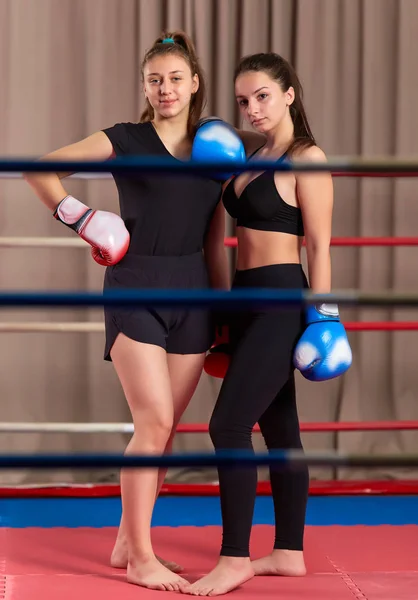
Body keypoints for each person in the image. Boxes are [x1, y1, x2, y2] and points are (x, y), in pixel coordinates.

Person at [23, 31, 258, 592]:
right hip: (134, 285)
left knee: (165, 429)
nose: (166, 88)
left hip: (193, 291)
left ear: (195, 83)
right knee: (152, 422)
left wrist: (221, 313)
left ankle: (129, 538)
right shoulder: (124, 139)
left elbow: (212, 238)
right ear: (145, 86)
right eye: (156, 79)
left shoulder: (214, 148)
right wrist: (79, 216)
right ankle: (141, 560)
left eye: (176, 78)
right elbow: (40, 168)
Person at [181, 52, 352, 597]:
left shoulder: (307, 157)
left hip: (281, 300)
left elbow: (319, 247)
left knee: (228, 427)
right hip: (244, 300)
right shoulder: (252, 156)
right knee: (281, 431)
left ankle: (234, 558)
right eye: (243, 100)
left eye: (262, 96)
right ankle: (288, 551)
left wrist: (322, 317)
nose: (252, 108)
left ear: (289, 95)